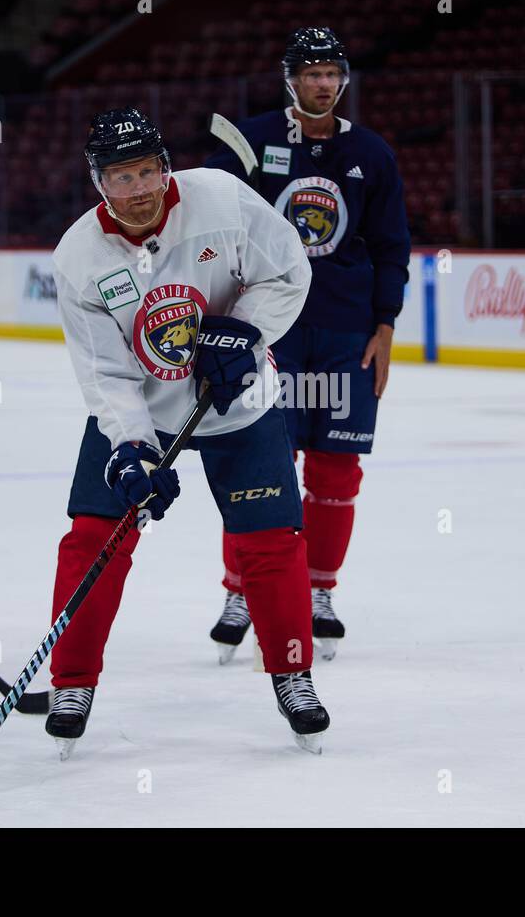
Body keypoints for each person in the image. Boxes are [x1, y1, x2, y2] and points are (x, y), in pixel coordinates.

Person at [46, 107, 330, 756]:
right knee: (93, 538)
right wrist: (132, 449)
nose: (138, 188)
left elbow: (289, 272)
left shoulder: (223, 199)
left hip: (240, 402)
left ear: (164, 167)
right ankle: (73, 682)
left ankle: (292, 673)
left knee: (270, 542)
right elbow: (106, 374)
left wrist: (247, 331)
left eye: (147, 171)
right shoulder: (78, 258)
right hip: (143, 407)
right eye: (122, 177)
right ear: (99, 183)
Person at [203, 27, 410, 661]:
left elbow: (390, 246)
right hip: (270, 332)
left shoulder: (370, 153)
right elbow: (212, 224)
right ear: (289, 78)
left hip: (347, 335)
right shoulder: (249, 140)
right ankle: (242, 590)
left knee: (336, 470)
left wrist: (385, 326)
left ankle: (319, 591)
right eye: (311, 71)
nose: (323, 82)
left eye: (332, 72)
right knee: (262, 469)